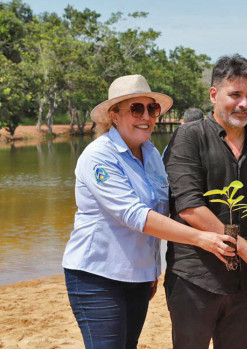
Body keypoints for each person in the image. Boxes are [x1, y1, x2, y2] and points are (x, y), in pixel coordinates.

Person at [62, 74, 237, 349]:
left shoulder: (152, 154)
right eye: (136, 108)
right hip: (97, 278)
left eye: (151, 108)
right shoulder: (99, 156)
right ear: (114, 116)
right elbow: (136, 215)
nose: (147, 116)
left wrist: (151, 270)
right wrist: (201, 238)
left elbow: (163, 209)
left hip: (137, 278)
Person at [163, 54, 247, 349]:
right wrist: (246, 250)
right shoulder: (188, 138)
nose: (244, 104)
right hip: (195, 278)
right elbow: (190, 208)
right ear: (214, 94)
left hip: (244, 284)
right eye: (236, 95)